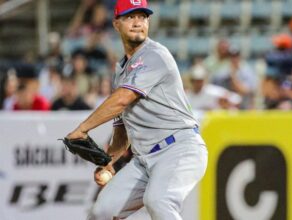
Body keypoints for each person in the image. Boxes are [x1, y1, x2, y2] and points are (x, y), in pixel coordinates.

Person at [65, 0, 208, 219]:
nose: (137, 22)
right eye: (130, 17)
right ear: (116, 24)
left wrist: (83, 129)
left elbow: (122, 99)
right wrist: (109, 161)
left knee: (159, 201)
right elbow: (122, 129)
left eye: (142, 16)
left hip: (179, 149)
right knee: (102, 211)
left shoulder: (154, 55)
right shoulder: (121, 70)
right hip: (144, 160)